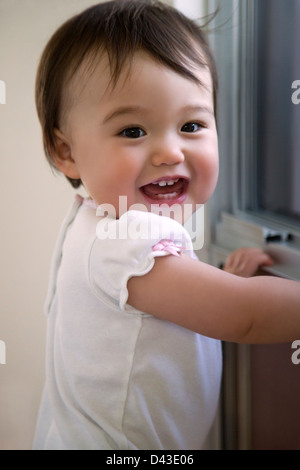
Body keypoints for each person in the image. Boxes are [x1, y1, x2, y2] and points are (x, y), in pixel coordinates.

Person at [33, 0, 300, 450]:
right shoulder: (125, 242)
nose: (170, 152)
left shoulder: (93, 223)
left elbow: (160, 314)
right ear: (67, 152)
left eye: (192, 125)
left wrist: (216, 284)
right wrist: (233, 295)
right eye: (133, 131)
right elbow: (244, 316)